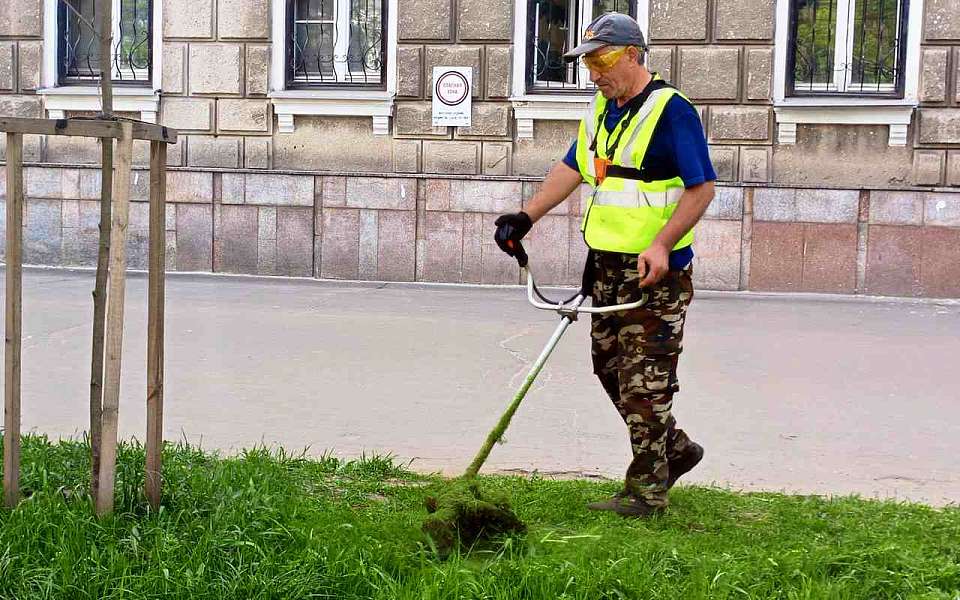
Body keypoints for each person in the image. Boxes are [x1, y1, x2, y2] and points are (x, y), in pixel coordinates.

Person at [493, 12, 716, 517]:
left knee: (645, 382)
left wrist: (662, 244)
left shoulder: (672, 111)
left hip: (655, 272)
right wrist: (526, 216)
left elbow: (701, 188)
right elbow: (573, 167)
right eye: (588, 63)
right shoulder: (601, 109)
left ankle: (646, 494)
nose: (593, 73)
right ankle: (674, 449)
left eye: (602, 61)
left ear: (633, 55)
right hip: (605, 267)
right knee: (610, 369)